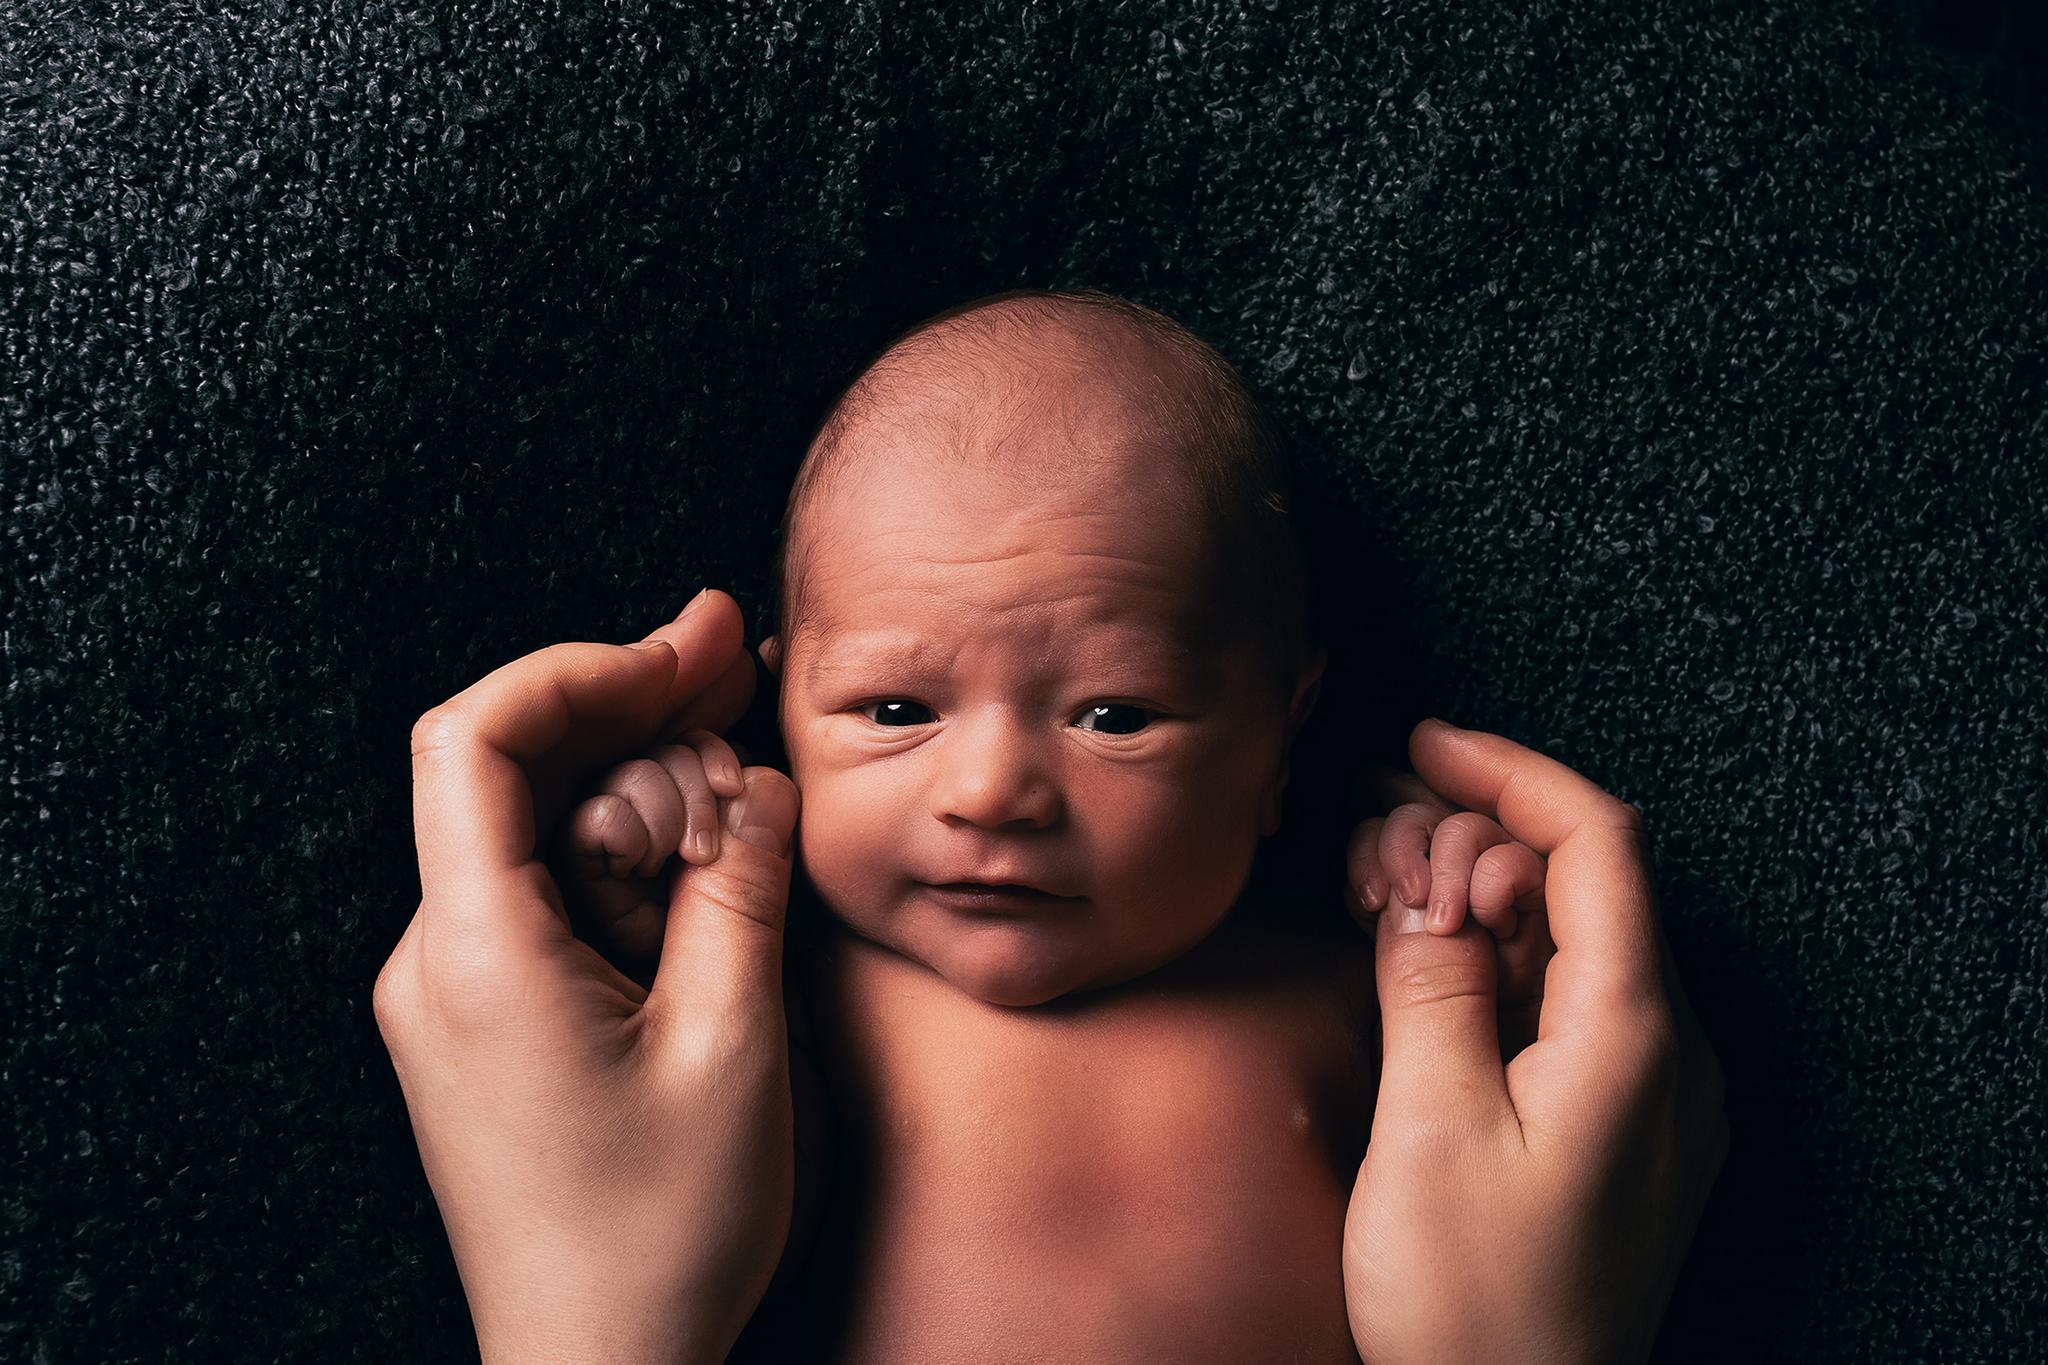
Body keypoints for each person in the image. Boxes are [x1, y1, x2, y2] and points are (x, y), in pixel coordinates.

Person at [378, 292, 1727, 1363]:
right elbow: (711, 1228)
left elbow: (1495, 1171)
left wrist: (1483, 930)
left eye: (1115, 716)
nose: (992, 790)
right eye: (897, 705)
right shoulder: (784, 996)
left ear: (1281, 738)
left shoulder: (1338, 964)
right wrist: (628, 906)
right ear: (780, 711)